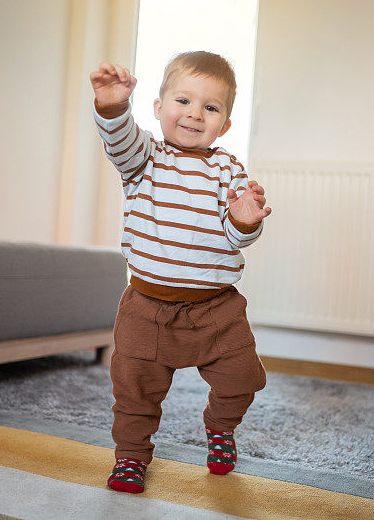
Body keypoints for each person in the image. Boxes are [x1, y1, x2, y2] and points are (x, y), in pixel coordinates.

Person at [89, 51, 272, 494]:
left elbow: (235, 233)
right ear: (158, 107)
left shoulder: (228, 169)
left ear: (225, 124)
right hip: (146, 310)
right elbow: (118, 140)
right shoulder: (145, 158)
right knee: (135, 390)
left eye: (210, 107)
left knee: (243, 378)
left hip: (216, 309)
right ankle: (131, 458)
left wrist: (247, 220)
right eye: (183, 101)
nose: (194, 114)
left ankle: (220, 428)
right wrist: (112, 107)